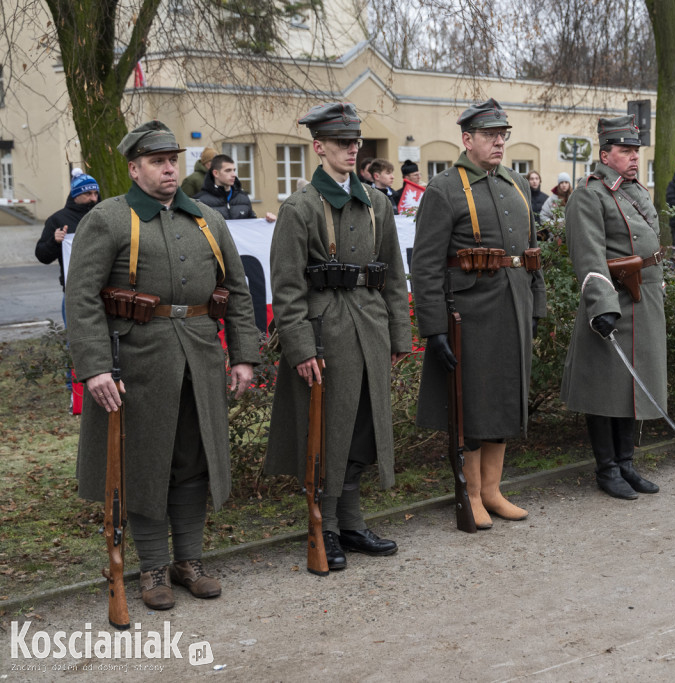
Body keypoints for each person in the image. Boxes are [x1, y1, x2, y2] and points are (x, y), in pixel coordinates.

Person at [66, 121, 261, 610]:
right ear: (134, 168)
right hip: (138, 359)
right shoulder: (109, 219)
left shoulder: (207, 220)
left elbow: (237, 292)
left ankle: (188, 561)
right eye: (157, 161)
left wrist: (243, 356)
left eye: (173, 159)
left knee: (194, 459)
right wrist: (94, 368)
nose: (169, 167)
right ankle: (152, 566)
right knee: (147, 461)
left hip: (199, 353)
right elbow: (83, 297)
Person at [264, 103, 412, 570]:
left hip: (369, 327)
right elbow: (286, 289)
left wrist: (398, 335)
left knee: (363, 430)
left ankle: (350, 523)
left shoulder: (377, 203)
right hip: (325, 333)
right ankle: (323, 527)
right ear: (319, 147)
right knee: (327, 433)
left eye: (355, 142)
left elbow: (393, 274)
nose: (352, 149)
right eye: (342, 143)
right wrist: (300, 348)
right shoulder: (300, 208)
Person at [412, 97, 546, 529]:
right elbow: (427, 266)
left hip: (513, 306)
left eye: (502, 135)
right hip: (468, 314)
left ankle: (492, 490)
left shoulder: (517, 185)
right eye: (489, 135)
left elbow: (530, 254)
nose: (498, 142)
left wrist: (536, 306)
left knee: (505, 399)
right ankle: (470, 494)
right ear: (467, 140)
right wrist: (434, 328)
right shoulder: (444, 188)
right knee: (472, 405)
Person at [560, 115, 663, 500]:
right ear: (605, 154)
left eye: (636, 150)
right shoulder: (591, 194)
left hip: (642, 299)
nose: (634, 157)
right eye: (625, 150)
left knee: (632, 387)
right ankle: (607, 469)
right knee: (606, 390)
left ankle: (627, 464)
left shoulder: (634, 191)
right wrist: (602, 305)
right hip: (611, 302)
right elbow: (588, 255)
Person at [36, 169, 100, 291]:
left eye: (96, 193)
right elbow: (42, 256)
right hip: (74, 290)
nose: (93, 198)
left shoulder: (104, 215)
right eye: (88, 193)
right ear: (75, 195)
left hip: (104, 288)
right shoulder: (57, 219)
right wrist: (54, 241)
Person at [192, 154, 276, 221]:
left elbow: (252, 227)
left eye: (234, 170)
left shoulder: (243, 198)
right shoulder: (200, 201)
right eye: (228, 170)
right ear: (216, 173)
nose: (234, 175)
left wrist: (267, 222)